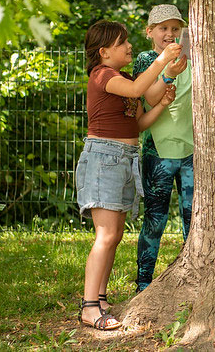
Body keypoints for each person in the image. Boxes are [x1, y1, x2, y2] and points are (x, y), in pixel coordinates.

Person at [76, 20, 181, 331]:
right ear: (104, 52)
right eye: (122, 43)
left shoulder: (120, 77)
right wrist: (162, 59)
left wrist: (162, 100)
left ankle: (101, 298)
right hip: (104, 158)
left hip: (124, 159)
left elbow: (138, 123)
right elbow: (138, 90)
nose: (129, 46)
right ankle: (89, 306)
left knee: (116, 235)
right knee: (106, 235)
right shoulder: (103, 75)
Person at [134, 4, 194, 292]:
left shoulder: (193, 58)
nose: (170, 34)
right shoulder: (146, 60)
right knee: (155, 219)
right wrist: (167, 73)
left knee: (192, 218)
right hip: (157, 152)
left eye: (175, 28)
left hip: (192, 150)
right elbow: (149, 97)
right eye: (163, 28)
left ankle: (193, 281)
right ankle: (144, 282)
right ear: (150, 32)